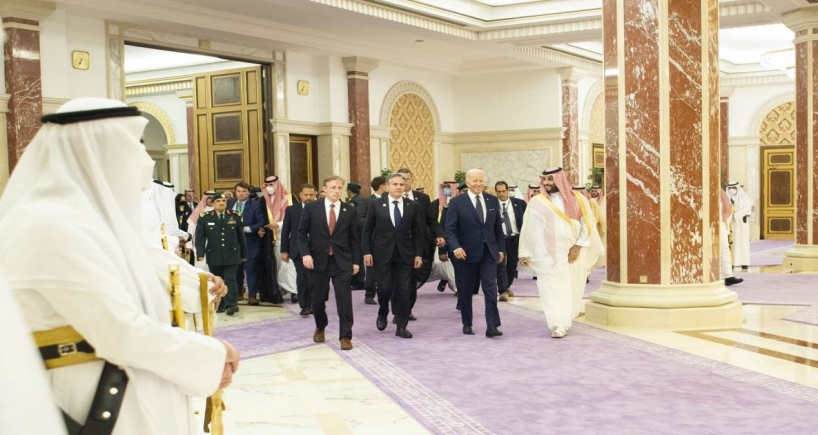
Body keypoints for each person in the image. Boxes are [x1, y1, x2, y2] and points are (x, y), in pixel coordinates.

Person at [0, 98, 238, 435]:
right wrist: (209, 357)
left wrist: (197, 283)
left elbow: (151, 263)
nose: (146, 160)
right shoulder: (46, 225)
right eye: (135, 145)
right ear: (98, 151)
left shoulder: (84, 220)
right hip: (89, 404)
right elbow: (119, 331)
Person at [518, 168, 604, 338]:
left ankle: (564, 320)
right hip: (548, 254)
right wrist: (524, 252)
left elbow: (586, 225)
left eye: (550, 179)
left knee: (570, 287)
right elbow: (530, 228)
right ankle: (558, 324)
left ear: (560, 180)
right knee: (550, 287)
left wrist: (578, 247)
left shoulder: (578, 199)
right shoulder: (538, 202)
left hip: (573, 254)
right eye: (545, 180)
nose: (547, 183)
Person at [297, 176, 361, 350]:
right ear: (324, 189)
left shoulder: (350, 210)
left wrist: (356, 261)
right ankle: (320, 325)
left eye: (340, 188)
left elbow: (354, 239)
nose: (337, 191)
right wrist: (305, 254)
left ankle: (345, 336)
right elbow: (301, 234)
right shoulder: (312, 208)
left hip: (342, 261)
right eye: (333, 187)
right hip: (317, 260)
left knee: (344, 299)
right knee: (318, 299)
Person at [362, 174, 424, 338]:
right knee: (385, 288)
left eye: (401, 184)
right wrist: (366, 252)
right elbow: (367, 230)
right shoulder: (376, 204)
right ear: (387, 186)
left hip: (405, 254)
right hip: (381, 253)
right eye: (395, 184)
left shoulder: (413, 205)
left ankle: (401, 326)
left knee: (404, 290)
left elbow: (417, 232)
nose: (398, 187)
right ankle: (383, 311)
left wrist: (418, 254)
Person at [445, 169, 505, 338]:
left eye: (481, 180)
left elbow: (498, 229)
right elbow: (449, 230)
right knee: (466, 290)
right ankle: (467, 323)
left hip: (489, 253)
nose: (478, 184)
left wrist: (500, 249)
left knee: (490, 288)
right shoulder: (457, 202)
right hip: (465, 253)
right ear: (467, 182)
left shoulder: (492, 200)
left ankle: (492, 325)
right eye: (474, 181)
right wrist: (456, 248)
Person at [397, 168, 445, 320]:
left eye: (407, 179)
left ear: (412, 180)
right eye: (401, 179)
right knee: (397, 281)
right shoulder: (389, 199)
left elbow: (431, 220)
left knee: (412, 281)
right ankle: (397, 309)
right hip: (396, 246)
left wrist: (439, 235)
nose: (405, 182)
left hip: (417, 246)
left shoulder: (422, 198)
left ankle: (407, 310)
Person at [196, 192, 248, 315]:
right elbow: (200, 237)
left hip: (232, 253)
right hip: (214, 254)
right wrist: (200, 253)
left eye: (223, 201)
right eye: (218, 201)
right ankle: (221, 304)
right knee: (217, 280)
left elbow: (241, 237)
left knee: (230, 279)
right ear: (213, 204)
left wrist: (244, 254)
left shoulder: (235, 216)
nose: (221, 203)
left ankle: (231, 304)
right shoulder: (205, 217)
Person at [281, 183, 317, 316]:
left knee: (315, 279)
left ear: (315, 195)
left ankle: (315, 304)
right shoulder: (291, 210)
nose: (308, 197)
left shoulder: (320, 208)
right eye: (306, 195)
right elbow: (286, 231)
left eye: (311, 195)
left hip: (317, 249)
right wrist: (284, 251)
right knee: (302, 278)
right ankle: (305, 305)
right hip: (298, 250)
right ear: (300, 195)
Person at [228, 182, 267, 305]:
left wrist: (246, 229)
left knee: (251, 268)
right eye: (239, 191)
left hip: (250, 241)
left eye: (244, 191)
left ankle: (252, 296)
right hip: (233, 242)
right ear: (235, 192)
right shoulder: (229, 203)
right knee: (236, 268)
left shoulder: (255, 205)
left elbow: (261, 222)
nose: (241, 194)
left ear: (248, 193)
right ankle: (238, 292)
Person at [494, 181, 526, 302]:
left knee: (512, 265)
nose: (501, 194)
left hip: (515, 238)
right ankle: (502, 290)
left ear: (508, 191)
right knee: (500, 264)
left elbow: (526, 221)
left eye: (503, 191)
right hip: (499, 239)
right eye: (499, 191)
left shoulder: (519, 204)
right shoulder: (492, 205)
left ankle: (507, 286)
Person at [258, 176, 287, 305]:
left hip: (286, 234)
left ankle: (293, 291)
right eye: (267, 185)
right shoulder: (262, 200)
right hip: (268, 237)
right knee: (271, 265)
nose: (269, 188)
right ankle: (274, 292)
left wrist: (279, 225)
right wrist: (260, 229)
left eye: (272, 184)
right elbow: (259, 217)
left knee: (287, 265)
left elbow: (294, 217)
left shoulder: (289, 198)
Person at [363, 176, 387, 304]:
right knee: (371, 268)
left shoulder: (389, 200)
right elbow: (360, 218)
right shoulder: (367, 201)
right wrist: (374, 224)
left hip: (388, 240)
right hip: (373, 239)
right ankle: (369, 294)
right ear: (383, 186)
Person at [720, 189, 744, 286]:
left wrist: (726, 222)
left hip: (721, 224)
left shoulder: (720, 193)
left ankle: (728, 276)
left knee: (724, 249)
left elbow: (727, 209)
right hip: (710, 225)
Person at [727, 181, 751, 270]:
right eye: (729, 188)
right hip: (731, 223)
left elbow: (746, 209)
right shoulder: (728, 197)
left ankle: (744, 262)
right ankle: (732, 262)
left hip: (741, 222)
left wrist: (736, 215)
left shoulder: (744, 197)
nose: (731, 190)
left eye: (733, 188)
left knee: (743, 242)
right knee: (732, 242)